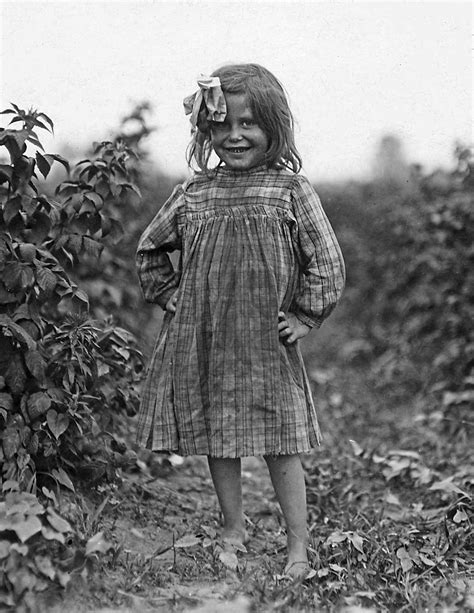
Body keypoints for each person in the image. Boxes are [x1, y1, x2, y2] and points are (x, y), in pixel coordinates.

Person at [135, 63, 345, 579]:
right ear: (206, 129)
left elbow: (327, 261)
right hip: (204, 338)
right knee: (216, 433)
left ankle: (298, 545)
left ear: (274, 127)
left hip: (266, 341)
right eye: (222, 125)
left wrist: (304, 314)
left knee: (281, 440)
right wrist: (169, 295)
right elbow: (151, 248)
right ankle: (233, 526)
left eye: (248, 123)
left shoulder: (291, 191)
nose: (235, 135)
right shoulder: (195, 193)